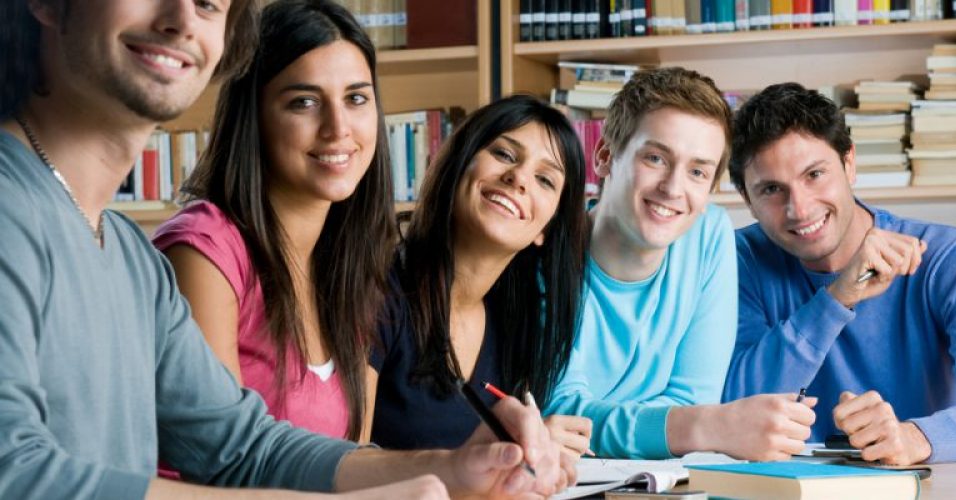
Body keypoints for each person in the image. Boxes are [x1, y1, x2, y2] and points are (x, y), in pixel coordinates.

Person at [0, 0, 562, 497]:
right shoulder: (13, 207)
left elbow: (244, 449)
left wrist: (456, 467)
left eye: (208, 3)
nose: (180, 19)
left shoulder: (130, 257)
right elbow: (14, 474)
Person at [544, 67, 817, 461]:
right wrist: (708, 426)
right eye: (655, 158)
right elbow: (563, 415)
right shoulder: (546, 248)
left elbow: (691, 398)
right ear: (605, 157)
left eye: (697, 172)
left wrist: (688, 424)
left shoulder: (708, 235)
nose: (673, 189)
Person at [153, 0, 393, 443]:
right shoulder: (205, 250)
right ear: (255, 117)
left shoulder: (349, 267)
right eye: (304, 102)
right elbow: (225, 458)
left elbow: (349, 461)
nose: (338, 128)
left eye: (356, 98)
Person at [723, 82, 956, 465]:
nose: (799, 209)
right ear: (746, 200)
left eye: (815, 174)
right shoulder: (736, 262)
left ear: (849, 163)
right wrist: (837, 299)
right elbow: (734, 408)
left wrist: (914, 438)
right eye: (772, 189)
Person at [369, 94, 592, 478]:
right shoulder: (377, 293)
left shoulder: (514, 327)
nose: (519, 178)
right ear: (459, 164)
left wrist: (525, 452)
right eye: (505, 155)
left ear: (545, 230)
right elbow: (340, 462)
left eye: (544, 179)